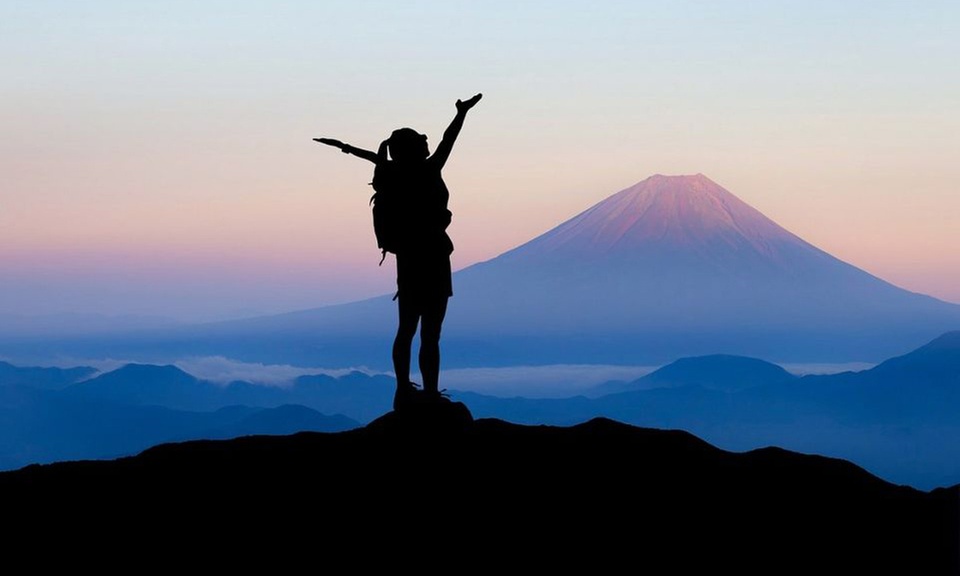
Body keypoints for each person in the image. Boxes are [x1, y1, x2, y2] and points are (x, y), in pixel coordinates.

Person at [315, 93, 482, 410]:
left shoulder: (393, 175)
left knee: (407, 328)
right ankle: (429, 393)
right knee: (431, 332)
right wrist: (461, 114)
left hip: (409, 260)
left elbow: (375, 159)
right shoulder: (430, 170)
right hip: (434, 256)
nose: (427, 144)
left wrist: (346, 148)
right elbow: (450, 139)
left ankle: (403, 389)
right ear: (415, 149)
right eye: (421, 142)